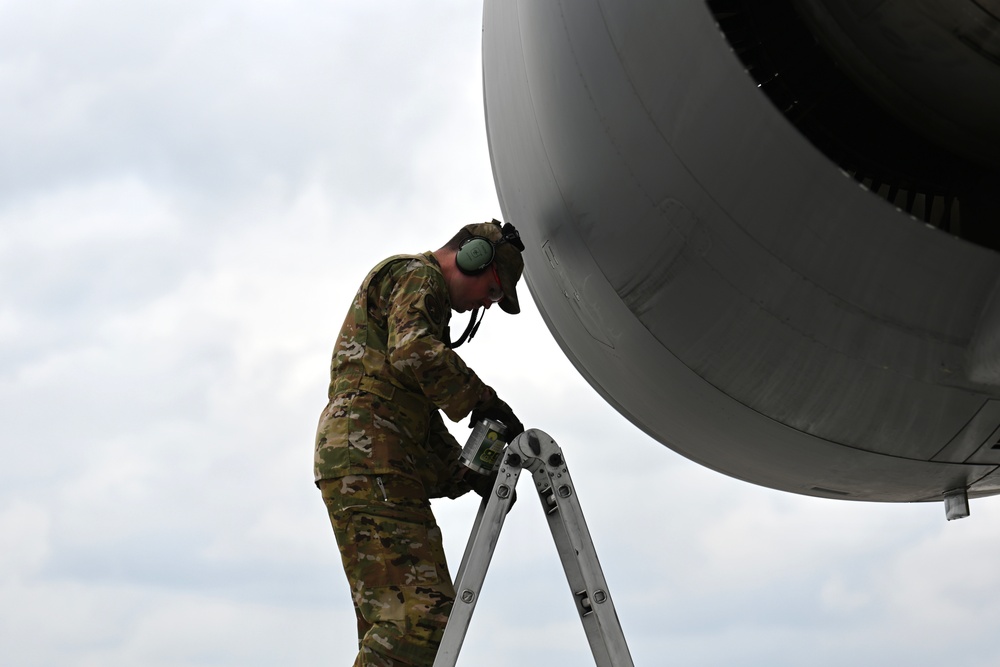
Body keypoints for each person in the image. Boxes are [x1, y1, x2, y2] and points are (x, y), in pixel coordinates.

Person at [315, 220, 526, 667]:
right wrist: (482, 400)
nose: (482, 306)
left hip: (371, 454)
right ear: (472, 258)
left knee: (395, 625)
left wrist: (468, 474)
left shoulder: (420, 301)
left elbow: (418, 417)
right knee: (419, 622)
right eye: (491, 291)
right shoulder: (417, 276)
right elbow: (413, 353)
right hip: (370, 453)